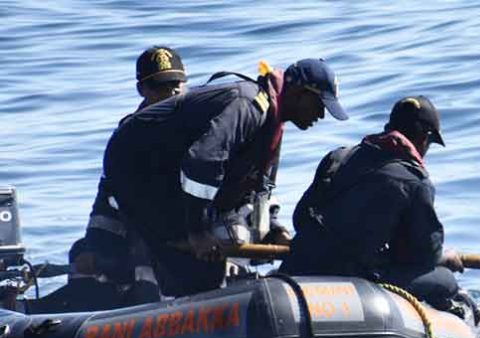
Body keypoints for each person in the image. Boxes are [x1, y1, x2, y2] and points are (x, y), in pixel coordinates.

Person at [104, 58, 349, 297]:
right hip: (136, 164)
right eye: (319, 105)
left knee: (211, 256)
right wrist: (198, 232)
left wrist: (274, 230)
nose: (321, 115)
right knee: (194, 265)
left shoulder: (270, 124)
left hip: (168, 173)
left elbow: (251, 188)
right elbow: (203, 160)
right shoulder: (247, 104)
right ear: (298, 93)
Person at [280, 96, 480, 323]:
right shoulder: (415, 182)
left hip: (300, 267)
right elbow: (422, 254)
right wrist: (445, 258)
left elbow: (300, 218)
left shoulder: (339, 158)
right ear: (424, 138)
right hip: (353, 281)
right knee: (445, 281)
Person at [68, 46, 189, 307]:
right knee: (82, 252)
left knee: (151, 256)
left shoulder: (203, 125)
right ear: (142, 90)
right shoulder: (129, 137)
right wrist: (95, 247)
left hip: (192, 231)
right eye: (161, 87)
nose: (171, 92)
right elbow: (107, 198)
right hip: (144, 235)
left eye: (176, 84)